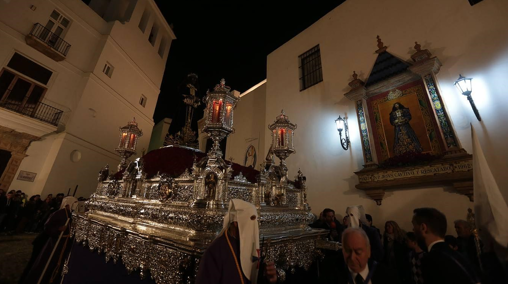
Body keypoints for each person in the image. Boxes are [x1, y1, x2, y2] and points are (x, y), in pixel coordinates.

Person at [196, 199, 277, 284]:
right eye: (252, 219)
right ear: (236, 222)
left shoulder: (250, 245)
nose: (255, 225)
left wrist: (270, 278)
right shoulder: (215, 252)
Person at [412, 208, 480, 284]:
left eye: (414, 227)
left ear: (423, 228)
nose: (413, 231)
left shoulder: (432, 259)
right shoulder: (455, 254)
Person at [22, 196, 78, 284]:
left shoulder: (71, 215)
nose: (76, 205)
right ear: (69, 203)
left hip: (62, 244)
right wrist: (58, 229)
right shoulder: (59, 213)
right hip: (52, 242)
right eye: (75, 203)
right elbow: (47, 226)